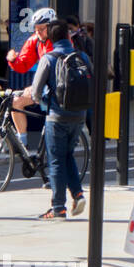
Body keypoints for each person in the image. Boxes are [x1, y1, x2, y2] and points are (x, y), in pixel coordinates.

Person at [24, 19, 90, 220]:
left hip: (57, 116)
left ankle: (58, 207)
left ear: (51, 39)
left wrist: (44, 99)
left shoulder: (49, 58)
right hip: (79, 116)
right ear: (68, 36)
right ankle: (78, 194)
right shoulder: (83, 57)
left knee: (56, 161)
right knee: (67, 155)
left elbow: (35, 93)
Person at [6, 6, 56, 141]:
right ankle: (22, 143)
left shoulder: (61, 41)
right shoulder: (35, 40)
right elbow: (23, 64)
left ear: (51, 27)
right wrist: (13, 60)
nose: (38, 32)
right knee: (16, 102)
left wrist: (37, 86)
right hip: (45, 86)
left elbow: (57, 70)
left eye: (41, 29)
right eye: (36, 29)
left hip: (59, 86)